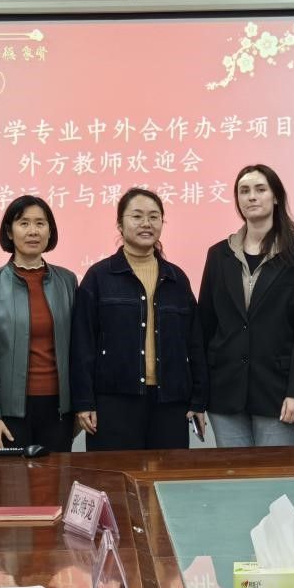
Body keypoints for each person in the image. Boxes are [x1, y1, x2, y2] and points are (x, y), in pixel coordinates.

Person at [72, 187, 207, 450]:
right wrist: (84, 401)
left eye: (154, 217)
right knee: (115, 474)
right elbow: (82, 344)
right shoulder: (99, 277)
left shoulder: (177, 279)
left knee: (168, 473)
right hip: (114, 401)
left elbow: (194, 343)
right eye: (137, 216)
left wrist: (199, 400)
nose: (146, 223)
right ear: (120, 224)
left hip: (170, 403)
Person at [198, 164, 294, 447]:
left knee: (276, 475)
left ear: (276, 197)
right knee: (235, 475)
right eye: (244, 191)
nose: (251, 196)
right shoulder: (219, 254)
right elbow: (205, 326)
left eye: (260, 189)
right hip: (225, 392)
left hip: (280, 393)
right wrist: (199, 395)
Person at [0, 195, 76, 452]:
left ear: (50, 231)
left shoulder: (67, 281)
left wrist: (81, 405)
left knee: (57, 476)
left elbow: (79, 348)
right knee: (13, 478)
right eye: (24, 223)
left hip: (59, 409)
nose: (33, 231)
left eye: (40, 223)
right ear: (9, 231)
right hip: (10, 412)